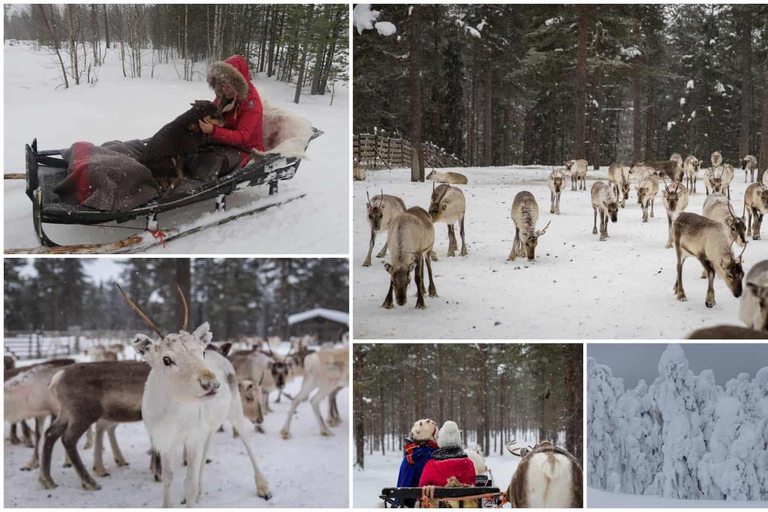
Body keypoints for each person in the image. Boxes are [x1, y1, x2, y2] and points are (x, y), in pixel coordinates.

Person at [187, 55, 265, 180]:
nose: (225, 90)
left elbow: (242, 137)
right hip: (223, 143)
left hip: (245, 150)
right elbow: (213, 114)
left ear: (238, 84)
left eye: (229, 86)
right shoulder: (224, 96)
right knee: (190, 148)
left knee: (211, 162)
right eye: (222, 85)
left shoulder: (251, 104)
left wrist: (213, 131)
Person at [418, 420, 476, 487]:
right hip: (465, 497)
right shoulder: (468, 464)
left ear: (440, 440)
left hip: (438, 497)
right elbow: (473, 485)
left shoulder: (431, 466)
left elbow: (421, 492)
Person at [396, 419, 439, 507]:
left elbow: (401, 488)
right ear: (433, 437)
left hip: (408, 505)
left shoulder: (409, 458)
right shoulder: (438, 457)